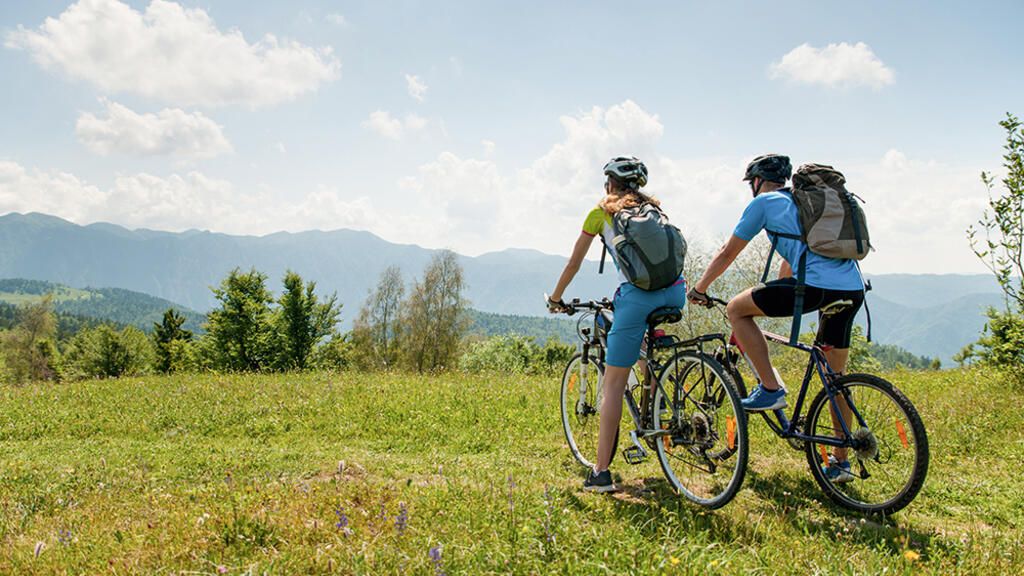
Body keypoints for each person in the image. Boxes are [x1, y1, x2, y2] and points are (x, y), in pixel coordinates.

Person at [687, 153, 866, 483]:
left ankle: (770, 388)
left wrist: (700, 287)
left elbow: (728, 251)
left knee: (736, 310)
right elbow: (795, 257)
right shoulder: (803, 203)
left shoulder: (764, 203)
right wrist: (780, 287)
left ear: (756, 181)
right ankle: (840, 462)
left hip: (815, 287)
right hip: (853, 289)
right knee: (835, 375)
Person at [547, 157, 686, 493]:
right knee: (641, 339)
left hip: (637, 298)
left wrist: (556, 298)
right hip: (676, 293)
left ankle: (601, 473)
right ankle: (656, 395)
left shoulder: (601, 213)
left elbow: (574, 263)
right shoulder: (655, 209)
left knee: (612, 386)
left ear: (609, 183)